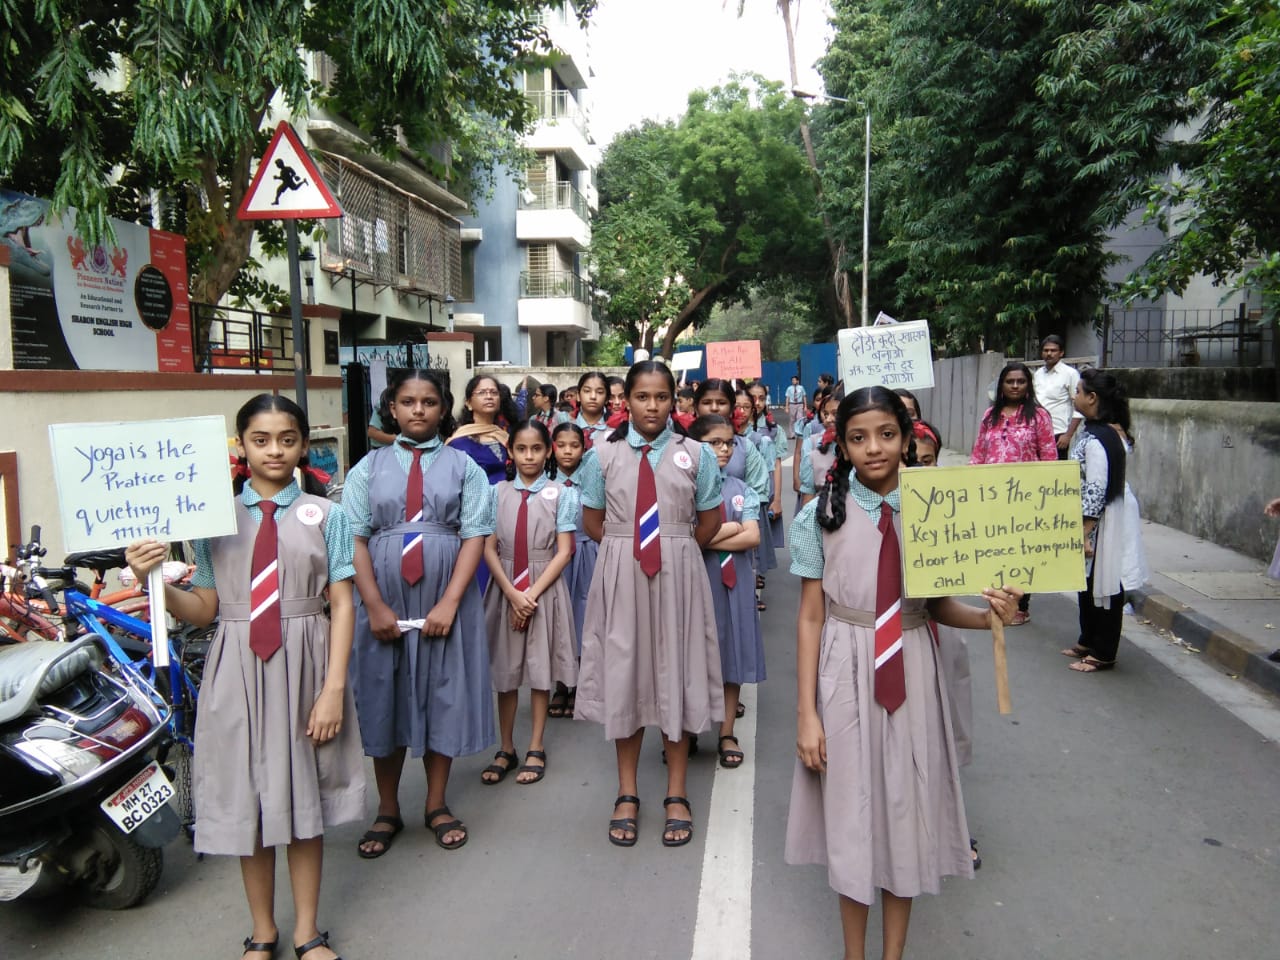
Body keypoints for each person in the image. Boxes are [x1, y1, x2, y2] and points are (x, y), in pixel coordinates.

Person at [125, 394, 364, 960]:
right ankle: (263, 931)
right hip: (235, 668)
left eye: (287, 438)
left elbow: (343, 604)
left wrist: (333, 689)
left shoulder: (326, 514)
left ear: (304, 445)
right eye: (261, 439)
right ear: (242, 447)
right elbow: (205, 609)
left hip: (306, 662)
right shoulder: (213, 519)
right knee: (247, 802)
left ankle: (307, 931)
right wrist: (154, 580)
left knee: (304, 802)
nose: (274, 450)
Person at [786, 387, 1020, 960]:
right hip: (845, 668)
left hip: (913, 666)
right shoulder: (822, 513)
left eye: (887, 435)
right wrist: (807, 713)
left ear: (908, 437)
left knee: (904, 811)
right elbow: (811, 616)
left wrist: (991, 615)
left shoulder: (933, 510)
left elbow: (938, 606)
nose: (875, 449)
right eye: (859, 437)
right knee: (850, 813)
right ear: (840, 445)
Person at [345, 369, 495, 857]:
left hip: (443, 595)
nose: (418, 410)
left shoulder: (464, 467)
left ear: (442, 408)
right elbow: (355, 539)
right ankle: (387, 807)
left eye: (429, 402)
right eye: (408, 401)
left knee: (442, 691)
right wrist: (373, 605)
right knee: (382, 690)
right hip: (384, 596)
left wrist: (451, 601)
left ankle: (436, 802)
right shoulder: (366, 468)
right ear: (392, 407)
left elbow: (474, 534)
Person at [576, 361, 725, 848]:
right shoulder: (601, 455)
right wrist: (627, 550)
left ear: (673, 399)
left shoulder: (697, 454)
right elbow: (593, 522)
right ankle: (627, 791)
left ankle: (677, 792)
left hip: (679, 568)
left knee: (676, 670)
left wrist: (675, 547)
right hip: (621, 569)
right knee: (626, 671)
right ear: (626, 401)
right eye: (643, 396)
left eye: (662, 397)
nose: (653, 406)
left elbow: (708, 521)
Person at [482, 419, 578, 786]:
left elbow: (565, 550)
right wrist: (510, 591)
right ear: (510, 452)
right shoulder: (496, 493)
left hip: (543, 588)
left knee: (540, 669)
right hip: (504, 585)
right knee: (505, 672)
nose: (529, 456)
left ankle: (536, 745)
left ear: (548, 451)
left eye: (536, 449)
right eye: (521, 449)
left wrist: (531, 594)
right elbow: (488, 547)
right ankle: (506, 747)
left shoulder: (561, 494)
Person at [909, 419, 979, 866]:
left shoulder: (949, 512)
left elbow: (942, 604)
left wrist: (993, 614)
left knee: (945, 725)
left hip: (937, 637)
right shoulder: (869, 512)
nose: (918, 470)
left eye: (928, 462)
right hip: (886, 645)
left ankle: (950, 827)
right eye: (910, 462)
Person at [688, 415, 764, 770]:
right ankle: (688, 729)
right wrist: (730, 528)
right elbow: (687, 537)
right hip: (698, 580)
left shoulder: (741, 488)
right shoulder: (684, 488)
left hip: (736, 583)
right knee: (693, 654)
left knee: (732, 653)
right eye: (714, 442)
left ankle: (726, 732)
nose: (723, 449)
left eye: (728, 443)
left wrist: (712, 533)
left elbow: (753, 536)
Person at [969, 361, 1057, 625]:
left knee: (1020, 551)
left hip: (1025, 500)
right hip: (992, 498)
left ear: (1028, 385)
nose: (1015, 386)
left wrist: (1047, 492)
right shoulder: (989, 416)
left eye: (1021, 381)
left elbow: (1049, 456)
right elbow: (978, 455)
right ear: (1002, 386)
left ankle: (1020, 604)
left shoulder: (1039, 417)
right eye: (1010, 382)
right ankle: (998, 600)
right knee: (996, 549)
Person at [1062, 369, 1134, 674]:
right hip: (1093, 520)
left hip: (1099, 522)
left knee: (1104, 585)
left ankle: (1104, 652)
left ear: (1092, 398)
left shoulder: (1100, 438)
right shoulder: (1096, 431)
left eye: (1078, 391)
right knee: (1086, 582)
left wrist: (1085, 531)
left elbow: (1096, 487)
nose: (1074, 395)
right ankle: (1088, 639)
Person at [550, 422, 594, 717]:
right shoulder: (545, 482)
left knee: (584, 616)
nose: (568, 451)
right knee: (557, 617)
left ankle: (580, 683)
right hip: (554, 558)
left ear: (584, 448)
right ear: (552, 447)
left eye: (574, 445)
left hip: (587, 552)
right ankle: (560, 684)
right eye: (561, 445)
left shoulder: (591, 480)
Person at [1031, 334, 1083, 459]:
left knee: (1056, 474)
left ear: (1061, 353)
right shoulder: (1038, 374)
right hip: (1037, 432)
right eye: (1046, 350)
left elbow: (1079, 407)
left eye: (1053, 350)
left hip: (1058, 434)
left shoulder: (1070, 374)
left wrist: (1068, 435)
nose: (1049, 353)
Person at [798, 391, 840, 506]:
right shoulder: (812, 444)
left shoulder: (862, 447)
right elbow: (808, 495)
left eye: (835, 414)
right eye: (826, 414)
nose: (828, 419)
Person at [574, 371, 612, 450]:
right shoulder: (567, 427)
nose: (593, 397)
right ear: (578, 396)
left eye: (600, 392)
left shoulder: (615, 430)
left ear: (607, 399)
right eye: (587, 391)